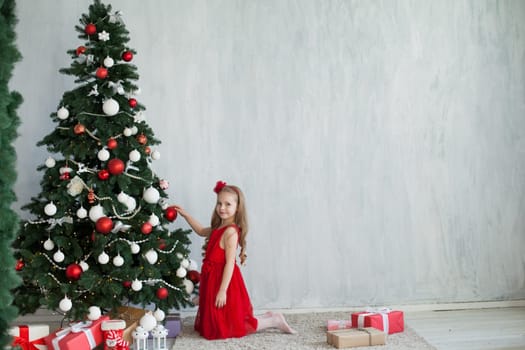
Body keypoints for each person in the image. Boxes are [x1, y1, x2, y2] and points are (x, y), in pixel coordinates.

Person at [173, 180, 296, 340]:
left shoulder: (230, 232)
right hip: (213, 278)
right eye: (219, 203)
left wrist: (223, 290)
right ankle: (268, 317)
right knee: (215, 322)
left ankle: (273, 320)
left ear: (237, 208)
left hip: (225, 280)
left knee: (231, 325)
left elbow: (230, 263)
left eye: (228, 204)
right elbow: (202, 231)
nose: (222, 208)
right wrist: (186, 215)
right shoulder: (219, 227)